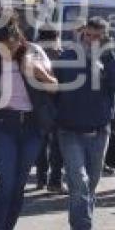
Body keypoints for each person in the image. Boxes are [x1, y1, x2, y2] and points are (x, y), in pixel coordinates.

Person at [54, 17, 115, 230]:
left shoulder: (114, 60)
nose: (91, 40)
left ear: (106, 38)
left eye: (97, 36)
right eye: (88, 35)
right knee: (79, 181)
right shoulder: (68, 58)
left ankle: (77, 227)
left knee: (91, 184)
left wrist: (108, 58)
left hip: (99, 132)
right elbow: (51, 86)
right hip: (69, 131)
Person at [0, 15, 58, 230]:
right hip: (4, 124)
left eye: (11, 43)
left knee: (19, 183)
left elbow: (53, 86)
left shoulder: (34, 53)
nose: (8, 48)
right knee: (5, 181)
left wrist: (37, 72)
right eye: (2, 44)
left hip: (31, 126)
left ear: (19, 38)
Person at [34, 26, 66, 194]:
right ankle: (55, 180)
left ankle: (40, 178)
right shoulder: (60, 55)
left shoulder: (34, 54)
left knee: (41, 143)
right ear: (56, 37)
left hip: (38, 104)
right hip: (57, 104)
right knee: (57, 145)